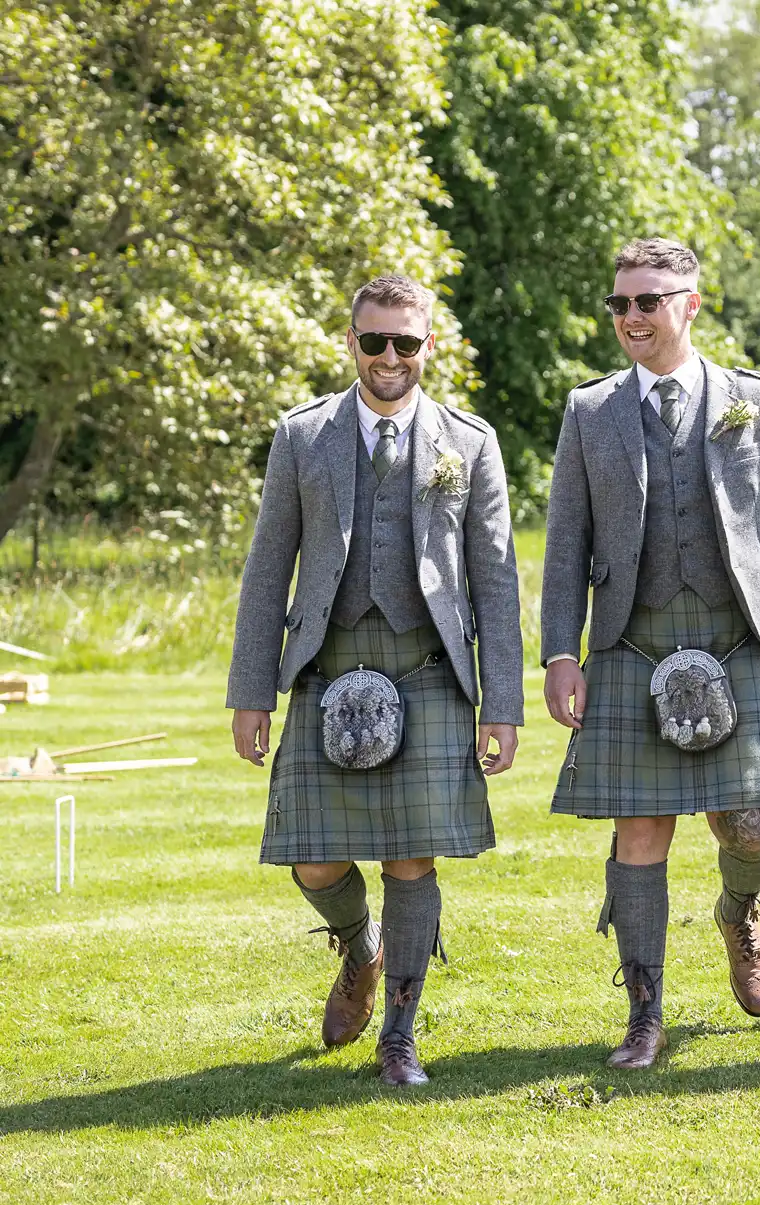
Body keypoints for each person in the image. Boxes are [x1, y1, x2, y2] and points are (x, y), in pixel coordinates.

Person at [541, 238, 760, 1070]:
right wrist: (558, 655)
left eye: (649, 300)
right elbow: (564, 545)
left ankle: (739, 912)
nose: (631, 317)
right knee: (640, 829)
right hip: (631, 645)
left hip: (735, 635)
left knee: (749, 828)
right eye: (620, 304)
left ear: (691, 304)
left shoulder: (758, 399)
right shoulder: (589, 411)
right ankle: (644, 1014)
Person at [228, 274, 522, 1087]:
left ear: (430, 344)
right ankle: (360, 945)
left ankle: (400, 1034)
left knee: (411, 859)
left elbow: (496, 579)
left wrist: (502, 703)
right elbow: (266, 570)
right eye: (373, 341)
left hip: (427, 669)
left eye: (405, 341)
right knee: (313, 859)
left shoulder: (470, 441)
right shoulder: (303, 435)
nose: (389, 356)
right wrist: (251, 691)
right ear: (351, 342)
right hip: (324, 668)